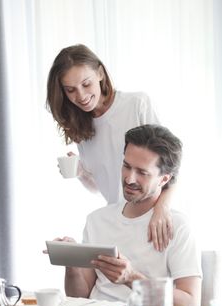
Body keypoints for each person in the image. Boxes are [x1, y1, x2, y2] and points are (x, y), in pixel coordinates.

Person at [61, 124, 202, 306]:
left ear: (164, 179)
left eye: (142, 173)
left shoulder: (177, 226)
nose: (129, 179)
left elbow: (191, 304)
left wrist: (131, 278)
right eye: (126, 166)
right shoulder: (97, 220)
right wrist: (72, 263)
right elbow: (79, 296)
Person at [46, 44, 174, 251]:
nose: (80, 96)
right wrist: (80, 172)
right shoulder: (82, 128)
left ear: (100, 73)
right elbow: (101, 187)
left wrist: (162, 210)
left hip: (152, 222)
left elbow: (171, 167)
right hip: (117, 225)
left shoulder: (136, 104)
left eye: (86, 84)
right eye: (70, 90)